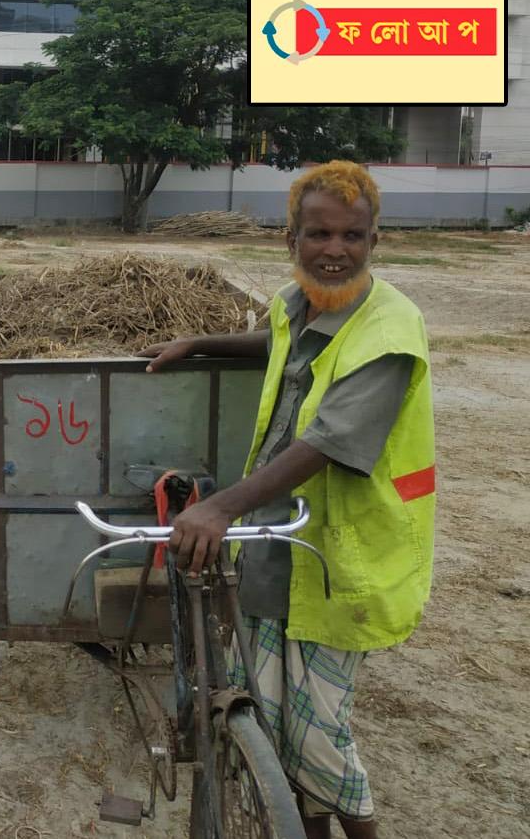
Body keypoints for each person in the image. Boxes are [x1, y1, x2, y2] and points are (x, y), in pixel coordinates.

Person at [140, 161, 434, 839]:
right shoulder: (295, 302)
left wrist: (219, 507)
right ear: (291, 239)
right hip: (280, 547)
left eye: (354, 237)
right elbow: (277, 341)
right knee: (270, 716)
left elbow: (330, 441)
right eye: (320, 234)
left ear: (375, 241)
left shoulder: (390, 330)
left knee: (320, 736)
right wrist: (199, 343)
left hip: (346, 560)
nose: (336, 251)